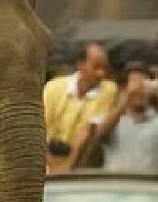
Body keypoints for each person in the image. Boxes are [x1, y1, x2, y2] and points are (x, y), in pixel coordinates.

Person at [43, 43, 118, 172]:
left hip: (80, 164)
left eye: (104, 68)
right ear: (81, 64)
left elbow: (89, 131)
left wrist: (67, 168)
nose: (101, 73)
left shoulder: (109, 90)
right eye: (96, 67)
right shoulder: (53, 87)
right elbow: (42, 128)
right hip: (46, 158)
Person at [93, 62, 158, 173]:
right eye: (135, 83)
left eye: (144, 85)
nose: (140, 90)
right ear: (124, 88)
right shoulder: (113, 119)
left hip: (148, 185)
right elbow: (100, 134)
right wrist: (126, 98)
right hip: (116, 184)